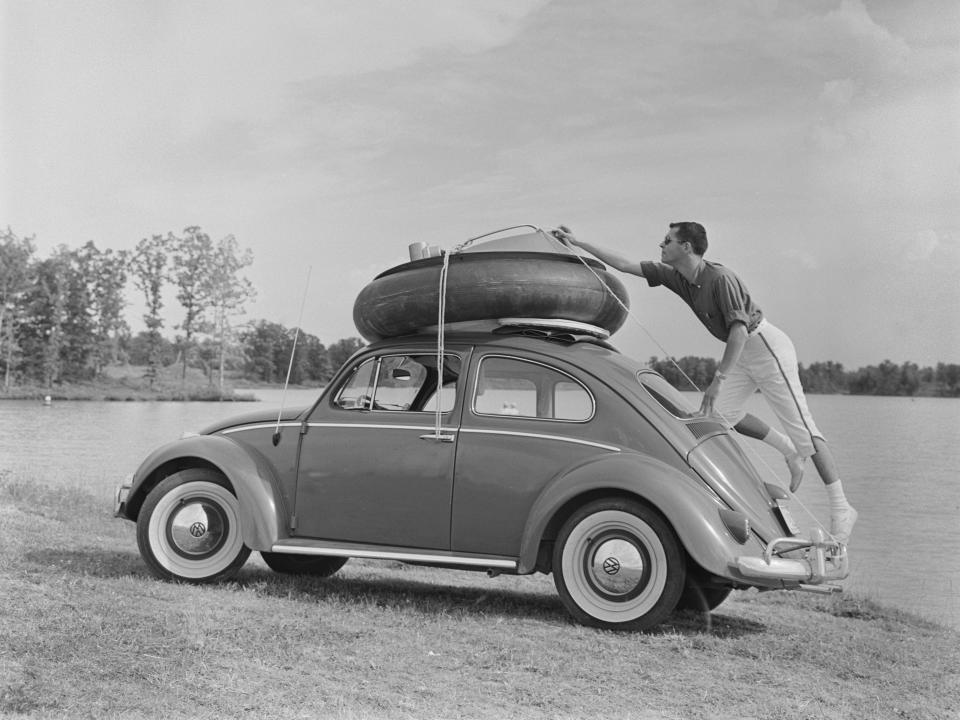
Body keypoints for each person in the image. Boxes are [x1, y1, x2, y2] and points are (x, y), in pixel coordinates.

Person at [551, 222, 858, 544]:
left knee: (805, 430)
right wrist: (577, 242)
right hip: (743, 352)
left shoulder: (720, 279)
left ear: (686, 247)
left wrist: (718, 379)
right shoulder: (678, 276)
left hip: (765, 347)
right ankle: (788, 451)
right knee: (722, 415)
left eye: (667, 240)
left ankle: (841, 508)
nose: (661, 244)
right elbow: (627, 265)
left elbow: (739, 330)